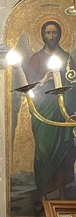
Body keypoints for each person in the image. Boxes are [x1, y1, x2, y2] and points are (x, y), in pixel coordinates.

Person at [23, 20, 76, 204]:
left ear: (60, 34)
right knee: (44, 152)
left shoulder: (67, 58)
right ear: (42, 35)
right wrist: (44, 80)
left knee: (64, 152)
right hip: (43, 112)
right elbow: (28, 86)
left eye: (54, 33)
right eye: (48, 33)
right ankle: (42, 193)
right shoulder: (36, 58)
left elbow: (73, 84)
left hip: (63, 112)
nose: (51, 36)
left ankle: (62, 193)